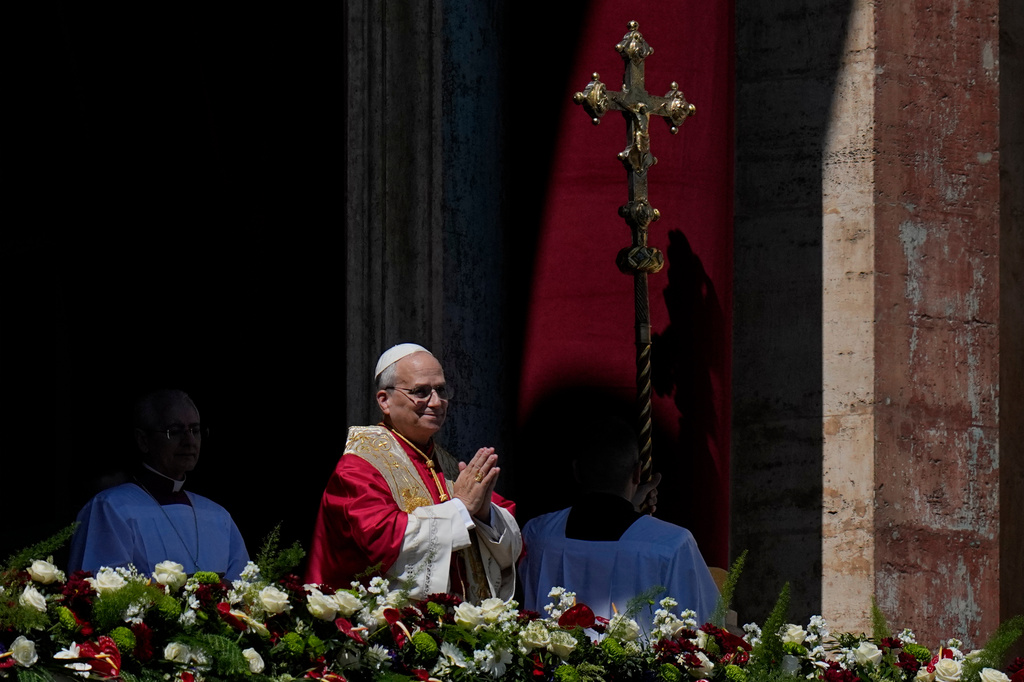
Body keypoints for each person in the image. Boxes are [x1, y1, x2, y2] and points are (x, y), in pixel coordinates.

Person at [306, 343, 522, 601]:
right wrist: (461, 508)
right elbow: (380, 540)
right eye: (420, 391)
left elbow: (511, 536)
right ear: (384, 401)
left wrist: (484, 513)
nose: (436, 402)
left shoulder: (448, 465)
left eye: (441, 390)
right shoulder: (359, 467)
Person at [518, 417, 719, 625]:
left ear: (577, 471)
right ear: (637, 473)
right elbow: (705, 626)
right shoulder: (672, 544)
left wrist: (631, 510)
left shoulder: (539, 535)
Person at [68, 389, 249, 580]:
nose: (189, 441)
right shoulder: (111, 508)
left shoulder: (218, 516)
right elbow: (100, 590)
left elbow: (246, 589)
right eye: (175, 431)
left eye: (195, 430)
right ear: (143, 440)